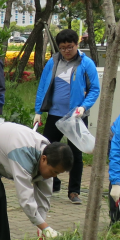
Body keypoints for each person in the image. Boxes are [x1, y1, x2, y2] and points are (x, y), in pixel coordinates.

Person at [0, 121, 72, 240]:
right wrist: (45, 227)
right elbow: (25, 198)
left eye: (58, 173)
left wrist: (41, 226)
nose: (54, 176)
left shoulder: (50, 155)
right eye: (54, 172)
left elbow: (44, 196)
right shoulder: (23, 154)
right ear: (44, 159)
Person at [33, 29, 99, 205]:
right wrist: (38, 111)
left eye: (70, 47)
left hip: (75, 117)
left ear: (77, 45)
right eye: (62, 48)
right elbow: (42, 87)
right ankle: (52, 182)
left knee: (75, 154)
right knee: (46, 150)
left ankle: (74, 191)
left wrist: (83, 107)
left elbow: (95, 89)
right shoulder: (53, 62)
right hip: (54, 114)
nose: (66, 51)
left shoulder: (86, 64)